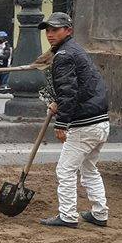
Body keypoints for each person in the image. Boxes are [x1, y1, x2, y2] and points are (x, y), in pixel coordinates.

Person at [37, 12, 111, 229]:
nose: (50, 35)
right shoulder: (75, 50)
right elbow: (82, 87)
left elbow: (69, 91)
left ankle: (68, 216)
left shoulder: (64, 56)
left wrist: (61, 123)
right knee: (89, 169)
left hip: (85, 124)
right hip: (100, 122)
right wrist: (58, 103)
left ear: (68, 30)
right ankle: (99, 213)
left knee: (65, 170)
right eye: (48, 30)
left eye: (55, 30)